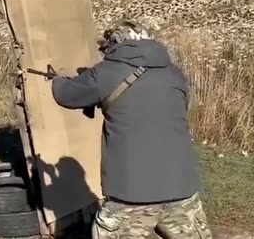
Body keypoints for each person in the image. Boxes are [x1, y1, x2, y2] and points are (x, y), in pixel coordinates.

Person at [51, 21, 212, 238]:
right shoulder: (175, 74)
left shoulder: (106, 72)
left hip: (129, 198)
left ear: (114, 45)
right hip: (181, 191)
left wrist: (57, 80)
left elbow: (66, 95)